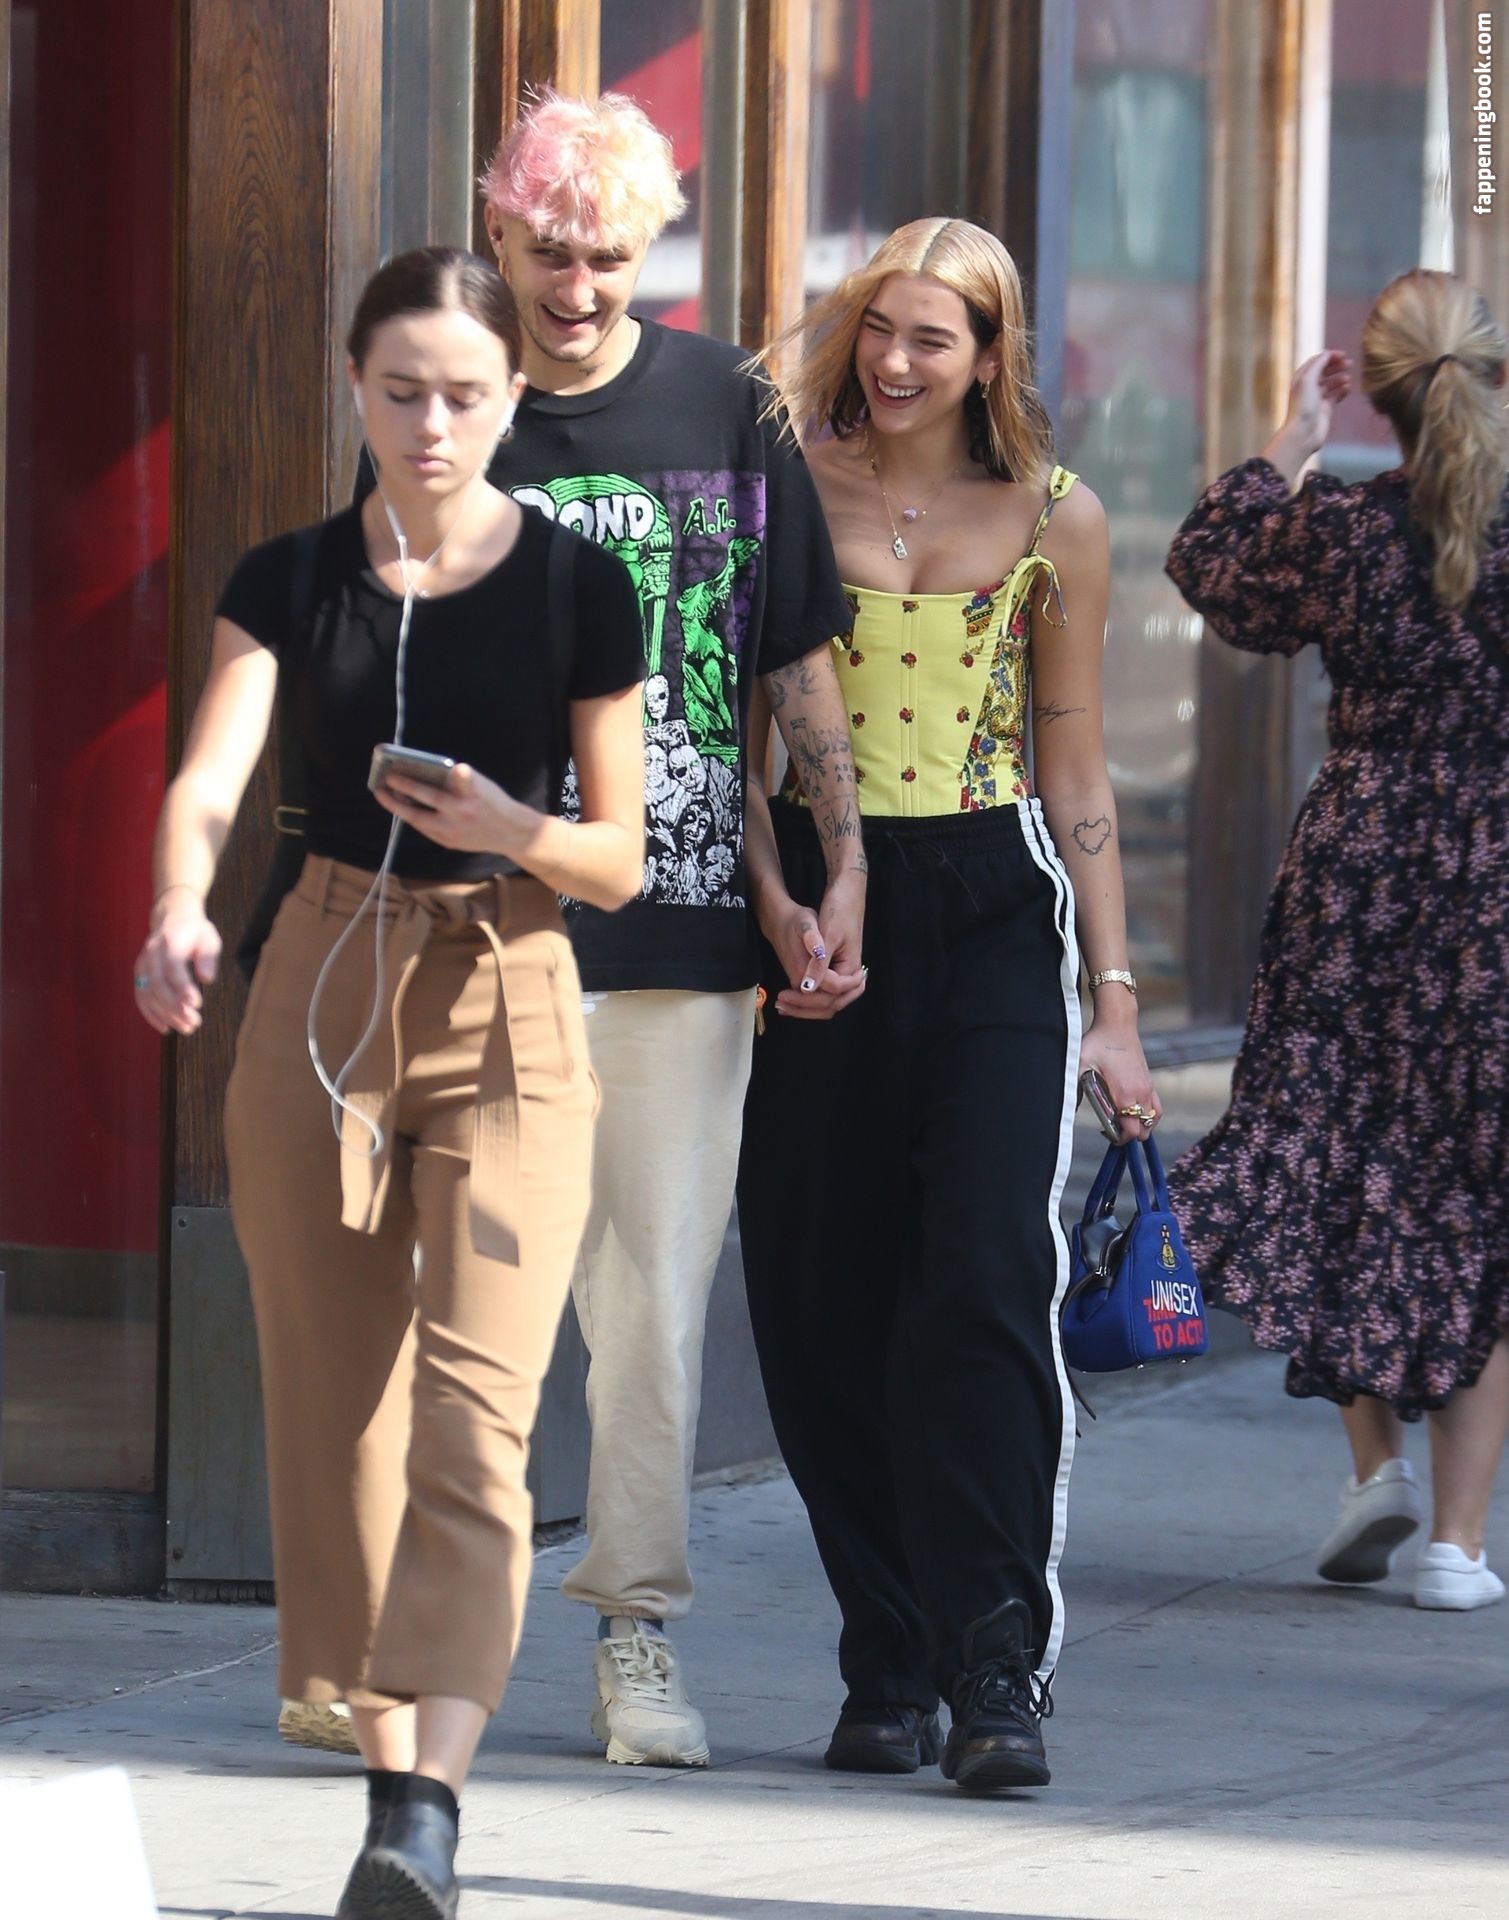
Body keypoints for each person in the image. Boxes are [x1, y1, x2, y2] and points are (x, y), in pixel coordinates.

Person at [134, 247, 645, 1919]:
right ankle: (379, 1749)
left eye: (466, 396)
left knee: (477, 1416)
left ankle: (423, 1803)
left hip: (509, 985)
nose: (433, 425)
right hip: (319, 982)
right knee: (331, 1402)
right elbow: (212, 779)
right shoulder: (289, 577)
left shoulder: (577, 586)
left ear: (514, 398)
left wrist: (512, 827)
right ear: (354, 384)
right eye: (403, 391)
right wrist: (176, 908)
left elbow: (622, 858)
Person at [737, 217, 1158, 1792]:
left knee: (980, 1279)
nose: (897, 361)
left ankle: (993, 1664)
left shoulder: (1057, 514)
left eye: (934, 337)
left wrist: (1114, 1002)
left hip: (990, 907)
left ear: (990, 356)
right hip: (818, 906)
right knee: (816, 1294)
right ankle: (886, 1656)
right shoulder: (788, 488)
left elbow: (1073, 762)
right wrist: (775, 905)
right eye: (879, 328)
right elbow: (748, 741)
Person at [468, 90, 862, 1767]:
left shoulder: (726, 404)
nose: (576, 289)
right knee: (465, 1309)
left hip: (684, 931)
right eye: (550, 253)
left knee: (651, 1317)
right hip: (478, 933)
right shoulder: (453, 401)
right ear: (501, 233)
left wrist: (830, 864)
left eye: (609, 259)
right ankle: (422, 1641)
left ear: (652, 251)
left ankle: (634, 1634)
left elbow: (791, 658)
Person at [1166, 268, 1509, 1612]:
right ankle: (1456, 1550)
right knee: (1478, 1188)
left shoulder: (1343, 532)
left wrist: (1286, 446)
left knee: (1345, 1154)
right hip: (1491, 880)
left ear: (1374, 393)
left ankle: (1376, 1472)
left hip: (1355, 868)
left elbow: (1212, 567)